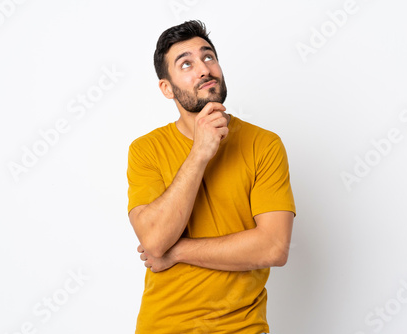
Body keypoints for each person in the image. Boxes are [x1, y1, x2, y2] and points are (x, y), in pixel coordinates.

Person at [127, 20, 296, 334]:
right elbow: (153, 240)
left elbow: (273, 247)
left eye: (208, 57)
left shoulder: (264, 144)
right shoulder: (146, 150)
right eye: (186, 64)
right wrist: (200, 153)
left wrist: (176, 252)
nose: (203, 69)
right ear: (167, 87)